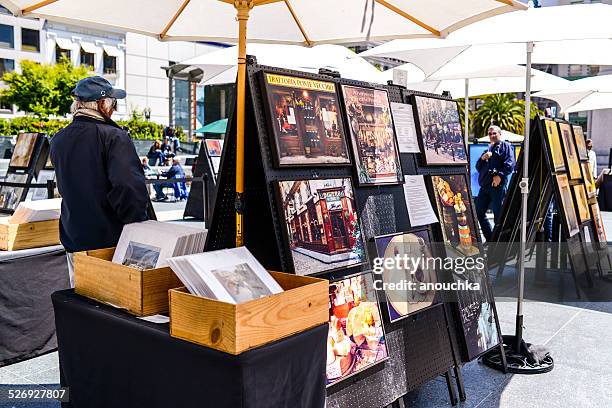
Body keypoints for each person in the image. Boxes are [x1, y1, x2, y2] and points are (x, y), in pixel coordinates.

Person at [50, 76, 149, 287]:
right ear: (103, 104)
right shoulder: (113, 136)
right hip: (111, 240)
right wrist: (139, 227)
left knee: (84, 302)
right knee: (115, 307)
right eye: (113, 103)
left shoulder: (59, 139)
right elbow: (128, 188)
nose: (114, 109)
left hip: (74, 237)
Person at [475, 125, 516, 241]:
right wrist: (482, 158)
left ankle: (499, 243)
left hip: (497, 187)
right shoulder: (487, 149)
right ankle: (490, 239)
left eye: (494, 133)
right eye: (490, 134)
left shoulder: (506, 146)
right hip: (484, 187)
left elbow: (510, 164)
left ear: (500, 134)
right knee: (479, 213)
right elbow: (478, 167)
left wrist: (499, 175)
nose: (492, 136)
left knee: (499, 217)